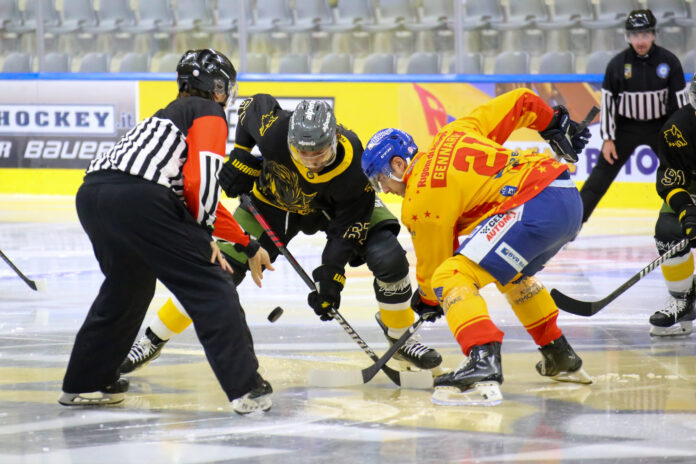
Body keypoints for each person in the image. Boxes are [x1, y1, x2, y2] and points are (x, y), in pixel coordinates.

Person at [120, 95, 443, 376]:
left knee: (388, 255)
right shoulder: (276, 129)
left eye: (320, 153)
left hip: (336, 208)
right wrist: (242, 156)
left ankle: (400, 334)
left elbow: (347, 229)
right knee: (216, 271)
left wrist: (331, 275)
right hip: (271, 204)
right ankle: (152, 338)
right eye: (303, 154)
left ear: (334, 139)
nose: (312, 162)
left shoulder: (354, 166)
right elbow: (251, 106)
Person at [59, 49, 274, 415]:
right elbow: (201, 179)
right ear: (219, 87)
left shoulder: (161, 120)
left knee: (127, 287)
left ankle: (87, 382)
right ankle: (247, 389)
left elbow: (185, 195)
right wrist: (206, 236)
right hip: (141, 198)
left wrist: (247, 243)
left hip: (94, 196)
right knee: (211, 284)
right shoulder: (209, 112)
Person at [361, 88, 593, 406]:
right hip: (565, 194)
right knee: (509, 273)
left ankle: (482, 359)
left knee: (451, 277)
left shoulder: (418, 199)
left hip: (532, 206)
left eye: (380, 180)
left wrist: (427, 299)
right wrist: (552, 122)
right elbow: (521, 101)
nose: (384, 190)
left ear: (398, 165)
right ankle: (558, 354)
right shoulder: (453, 132)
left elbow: (435, 269)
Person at [581, 9, 687, 224]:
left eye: (645, 34)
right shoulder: (617, 65)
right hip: (625, 129)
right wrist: (608, 139)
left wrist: (684, 139)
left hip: (661, 128)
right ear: (628, 37)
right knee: (598, 180)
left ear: (654, 35)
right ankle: (571, 227)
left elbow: (681, 103)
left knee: (684, 172)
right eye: (635, 35)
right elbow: (609, 102)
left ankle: (690, 219)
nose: (640, 40)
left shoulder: (669, 61)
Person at [650, 74, 696, 337]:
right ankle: (682, 299)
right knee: (668, 229)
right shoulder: (676, 128)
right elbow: (671, 180)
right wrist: (687, 210)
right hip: (691, 187)